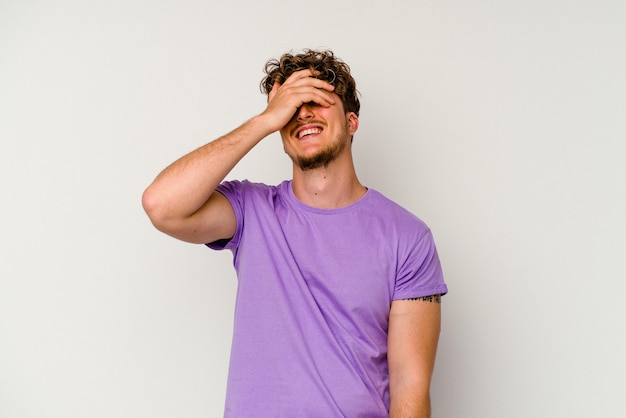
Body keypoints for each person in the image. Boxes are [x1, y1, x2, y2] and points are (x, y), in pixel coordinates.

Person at [142, 49, 448, 418]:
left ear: (352, 122)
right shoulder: (252, 211)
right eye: (292, 106)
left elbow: (409, 388)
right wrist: (264, 121)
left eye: (317, 101)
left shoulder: (408, 237)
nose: (303, 113)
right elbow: (161, 205)